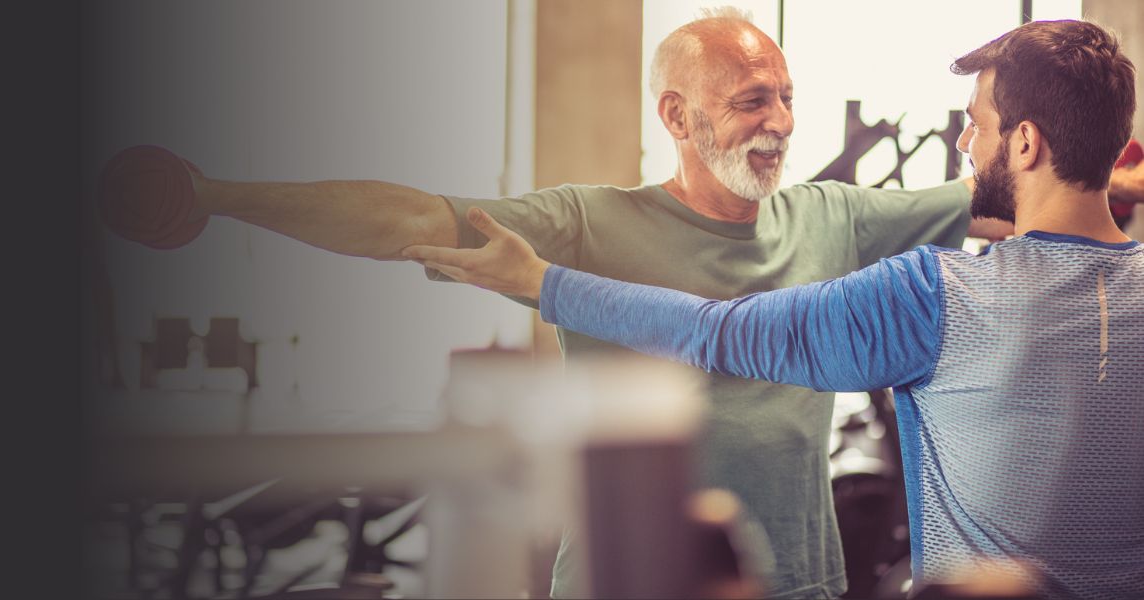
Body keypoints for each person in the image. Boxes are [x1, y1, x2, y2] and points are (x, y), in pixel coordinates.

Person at [405, 19, 1142, 600]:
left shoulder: (936, 297)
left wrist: (546, 284)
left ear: (1023, 142)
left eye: (974, 125)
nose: (962, 142)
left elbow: (713, 331)